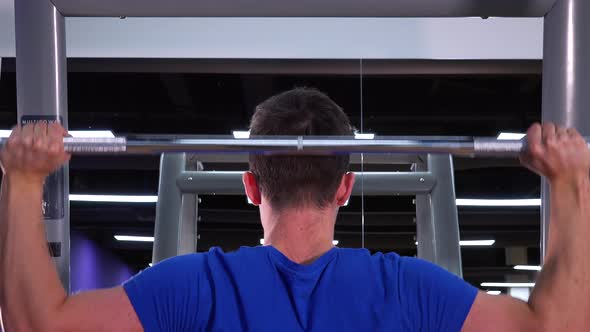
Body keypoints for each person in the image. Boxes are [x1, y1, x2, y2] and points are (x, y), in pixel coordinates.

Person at [0, 88, 588, 332]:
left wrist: (23, 180)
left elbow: (36, 325)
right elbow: (557, 327)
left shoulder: (195, 288)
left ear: (251, 187)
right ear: (345, 188)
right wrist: (572, 183)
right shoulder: (408, 290)